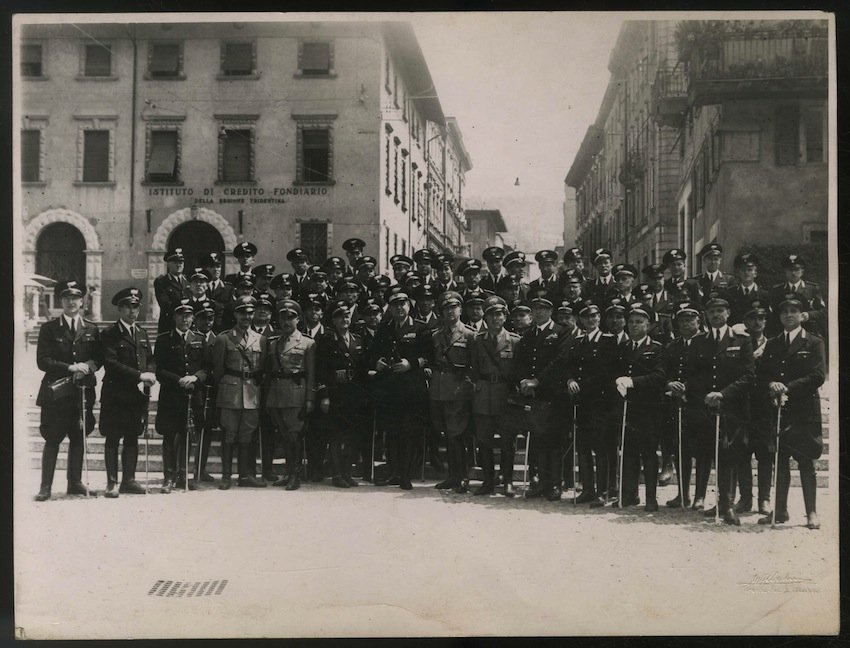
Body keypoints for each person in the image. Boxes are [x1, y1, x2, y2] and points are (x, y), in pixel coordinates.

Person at [754, 295, 825, 529]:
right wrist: (771, 384)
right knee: (780, 461)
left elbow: (817, 375)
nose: (789, 315)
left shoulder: (814, 342)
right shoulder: (773, 343)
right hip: (779, 411)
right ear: (780, 316)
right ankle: (781, 511)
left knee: (806, 462)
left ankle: (811, 512)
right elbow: (762, 372)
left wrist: (787, 387)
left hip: (804, 411)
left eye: (794, 311)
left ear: (801, 315)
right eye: (785, 312)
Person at [684, 295, 754, 525]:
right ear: (706, 315)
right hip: (706, 409)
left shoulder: (742, 341)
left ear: (728, 313)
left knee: (729, 456)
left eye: (720, 310)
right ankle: (720, 502)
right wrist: (704, 396)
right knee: (711, 454)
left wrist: (723, 394)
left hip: (732, 408)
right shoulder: (698, 342)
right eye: (712, 311)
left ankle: (728, 505)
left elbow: (748, 376)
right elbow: (692, 375)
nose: (716, 315)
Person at [35, 280, 102, 501]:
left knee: (78, 436)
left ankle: (74, 482)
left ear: (82, 301)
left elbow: (99, 359)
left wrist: (87, 368)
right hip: (56, 393)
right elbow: (42, 361)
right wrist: (70, 367)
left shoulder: (91, 329)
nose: (71, 302)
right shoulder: (49, 329)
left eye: (75, 298)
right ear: (61, 301)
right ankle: (46, 486)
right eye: (66, 298)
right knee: (52, 438)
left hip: (81, 392)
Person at [543, 301, 615, 506]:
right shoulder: (578, 341)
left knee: (600, 448)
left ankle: (603, 490)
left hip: (600, 402)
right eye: (586, 317)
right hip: (581, 403)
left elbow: (605, 372)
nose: (590, 320)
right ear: (580, 320)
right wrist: (569, 380)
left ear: (599, 318)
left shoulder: (608, 342)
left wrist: (581, 384)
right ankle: (588, 489)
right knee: (583, 446)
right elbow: (566, 365)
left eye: (594, 316)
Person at [509, 296, 568, 501]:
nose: (539, 312)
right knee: (535, 440)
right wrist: (524, 382)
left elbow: (559, 362)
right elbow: (520, 362)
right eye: (536, 309)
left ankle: (554, 484)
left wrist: (537, 381)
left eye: (544, 309)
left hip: (553, 395)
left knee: (553, 441)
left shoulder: (561, 332)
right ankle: (538, 482)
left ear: (551, 311)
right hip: (533, 396)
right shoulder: (528, 335)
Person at [99, 287, 157, 497]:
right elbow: (110, 362)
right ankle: (112, 482)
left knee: (133, 437)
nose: (133, 312)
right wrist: (139, 376)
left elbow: (150, 359)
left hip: (136, 395)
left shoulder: (141, 332)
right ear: (120, 309)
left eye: (135, 307)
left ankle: (129, 480)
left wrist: (150, 373)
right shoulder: (109, 333)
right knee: (113, 437)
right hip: (115, 394)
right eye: (128, 308)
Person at [369, 292, 429, 490]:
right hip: (390, 388)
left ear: (409, 306)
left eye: (402, 304)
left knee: (409, 432)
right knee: (392, 432)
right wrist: (376, 362)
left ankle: (406, 475)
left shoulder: (421, 328)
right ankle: (394, 472)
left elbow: (429, 356)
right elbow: (373, 353)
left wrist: (410, 364)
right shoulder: (384, 329)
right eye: (394, 305)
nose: (399, 308)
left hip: (412, 389)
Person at [610, 303, 666, 511]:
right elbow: (612, 373)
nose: (634, 326)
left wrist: (633, 381)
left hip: (648, 408)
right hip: (626, 407)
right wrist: (617, 382)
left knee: (649, 454)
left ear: (649, 325)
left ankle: (651, 497)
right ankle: (629, 494)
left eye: (639, 322)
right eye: (631, 322)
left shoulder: (656, 348)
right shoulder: (622, 348)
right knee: (628, 452)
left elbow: (659, 376)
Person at [211, 295, 268, 490]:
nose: (247, 316)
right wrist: (227, 385)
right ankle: (226, 476)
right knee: (229, 434)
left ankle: (245, 475)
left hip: (252, 392)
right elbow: (218, 370)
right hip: (231, 392)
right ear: (235, 314)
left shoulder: (261, 339)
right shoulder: (224, 338)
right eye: (242, 312)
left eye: (250, 313)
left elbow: (262, 368)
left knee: (247, 434)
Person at [154, 299, 208, 493]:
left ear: (193, 318)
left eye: (188, 315)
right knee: (169, 436)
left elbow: (207, 368)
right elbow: (159, 369)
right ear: (174, 317)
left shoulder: (200, 339)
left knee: (188, 435)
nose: (185, 319)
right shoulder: (163, 339)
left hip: (193, 395)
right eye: (181, 315)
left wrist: (195, 377)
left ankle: (183, 474)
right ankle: (168, 476)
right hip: (171, 394)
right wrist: (178, 380)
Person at [470, 296, 521, 496]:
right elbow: (473, 368)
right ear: (485, 317)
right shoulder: (477, 340)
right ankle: (488, 481)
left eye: (499, 314)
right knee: (484, 441)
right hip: (483, 395)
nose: (495, 319)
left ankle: (507, 481)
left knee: (508, 441)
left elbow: (517, 370)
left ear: (505, 316)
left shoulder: (515, 341)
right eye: (491, 315)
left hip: (505, 395)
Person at [426, 291, 476, 493]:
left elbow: (474, 365)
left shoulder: (470, 335)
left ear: (461, 310)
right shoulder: (436, 335)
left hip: (458, 389)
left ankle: (462, 476)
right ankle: (452, 476)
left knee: (459, 435)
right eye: (446, 308)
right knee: (447, 434)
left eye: (454, 307)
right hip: (439, 389)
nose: (450, 312)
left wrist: (467, 386)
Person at [265, 299, 316, 490]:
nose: (286, 322)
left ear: (298, 319)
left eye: (291, 317)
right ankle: (287, 472)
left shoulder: (308, 343)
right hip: (277, 394)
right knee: (284, 435)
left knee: (295, 436)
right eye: (283, 317)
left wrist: (310, 398)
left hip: (297, 394)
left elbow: (311, 373)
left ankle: (295, 475)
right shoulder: (274, 343)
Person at [316, 300, 369, 488]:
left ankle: (347, 472)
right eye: (339, 316)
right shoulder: (326, 341)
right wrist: (324, 396)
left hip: (353, 395)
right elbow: (320, 370)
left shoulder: (357, 340)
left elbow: (362, 370)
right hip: (335, 394)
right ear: (333, 320)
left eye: (346, 315)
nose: (344, 319)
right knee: (336, 436)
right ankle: (337, 474)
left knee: (352, 436)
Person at [660, 302, 704, 509]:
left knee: (702, 450)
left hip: (699, 403)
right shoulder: (672, 346)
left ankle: (700, 496)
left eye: (690, 320)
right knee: (680, 449)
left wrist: (688, 387)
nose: (686, 324)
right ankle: (683, 493)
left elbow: (710, 373)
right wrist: (668, 383)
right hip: (675, 404)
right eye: (682, 321)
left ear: (698, 321)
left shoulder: (707, 342)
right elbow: (663, 371)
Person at [734, 300, 773, 515]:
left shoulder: (773, 344)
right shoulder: (739, 342)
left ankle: (764, 499)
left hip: (764, 405)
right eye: (752, 318)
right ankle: (745, 498)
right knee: (742, 451)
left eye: (761, 318)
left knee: (765, 453)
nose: (757, 322)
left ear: (766, 321)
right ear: (745, 322)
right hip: (743, 404)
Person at [768, 254, 826, 339]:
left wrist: (809, 315)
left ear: (802, 271)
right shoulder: (777, 290)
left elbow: (824, 311)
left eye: (797, 269)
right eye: (790, 270)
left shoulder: (812, 289)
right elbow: (773, 313)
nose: (793, 273)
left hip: (807, 330)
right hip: (783, 332)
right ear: (785, 271)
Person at [191, 300, 218, 482]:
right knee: (189, 430)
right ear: (196, 319)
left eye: (210, 318)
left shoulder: (219, 339)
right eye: (203, 318)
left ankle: (201, 468)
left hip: (212, 392)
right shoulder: (191, 338)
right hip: (194, 390)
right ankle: (184, 469)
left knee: (206, 430)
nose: (207, 322)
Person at [727, 253, 770, 327]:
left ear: (755, 273)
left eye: (750, 270)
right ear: (739, 273)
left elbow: (767, 318)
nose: (746, 273)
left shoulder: (764, 294)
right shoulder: (731, 293)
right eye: (743, 270)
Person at [154, 248, 187, 333]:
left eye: (181, 262)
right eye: (175, 262)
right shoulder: (162, 282)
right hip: (169, 325)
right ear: (168, 264)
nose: (178, 265)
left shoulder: (188, 281)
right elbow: (165, 304)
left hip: (187, 324)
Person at [201, 252, 231, 333]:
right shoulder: (201, 288)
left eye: (218, 266)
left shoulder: (228, 288)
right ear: (206, 269)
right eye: (212, 267)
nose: (216, 269)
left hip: (222, 329)